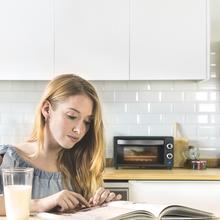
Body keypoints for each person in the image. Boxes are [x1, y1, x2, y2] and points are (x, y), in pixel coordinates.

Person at [0, 74, 121, 215]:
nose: (79, 129)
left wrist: (103, 207)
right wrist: (41, 204)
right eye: (71, 116)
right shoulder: (6, 159)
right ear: (46, 109)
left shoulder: (82, 165)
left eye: (87, 122)